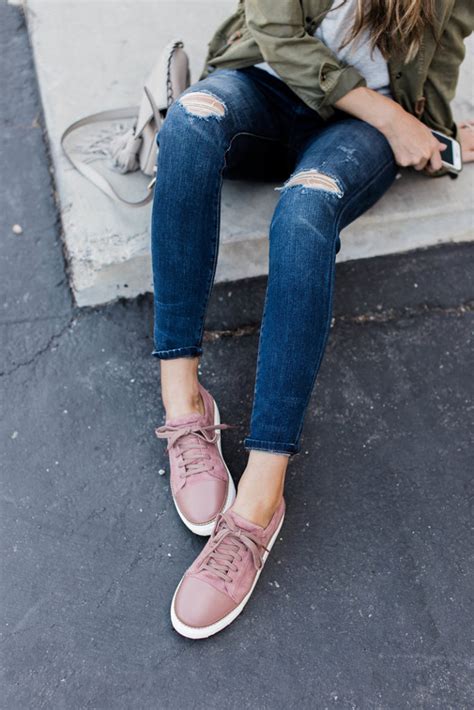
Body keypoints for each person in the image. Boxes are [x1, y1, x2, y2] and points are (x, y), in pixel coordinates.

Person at [151, 0, 474, 639]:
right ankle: (186, 407)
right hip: (268, 83)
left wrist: (433, 132)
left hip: (357, 138)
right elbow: (273, 29)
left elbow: (442, 50)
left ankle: (258, 506)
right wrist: (388, 114)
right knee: (191, 119)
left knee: (305, 210)